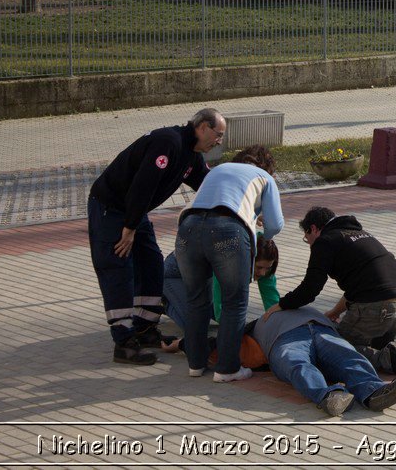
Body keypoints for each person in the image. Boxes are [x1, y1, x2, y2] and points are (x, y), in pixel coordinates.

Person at [89, 108, 225, 366]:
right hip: (111, 207)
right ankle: (124, 343)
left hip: (133, 210)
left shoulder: (191, 155)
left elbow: (208, 186)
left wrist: (236, 208)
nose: (219, 141)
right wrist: (129, 229)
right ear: (203, 127)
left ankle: (144, 328)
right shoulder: (169, 143)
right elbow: (144, 184)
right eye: (217, 134)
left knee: (151, 263)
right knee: (118, 267)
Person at [262, 206, 396, 377]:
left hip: (376, 304)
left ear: (313, 229)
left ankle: (387, 358)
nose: (310, 244)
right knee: (379, 340)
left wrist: (282, 305)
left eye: (307, 239)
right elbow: (358, 287)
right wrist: (334, 313)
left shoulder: (325, 241)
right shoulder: (360, 234)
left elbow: (310, 288)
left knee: (337, 347)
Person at [176, 145, 284, 382]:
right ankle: (227, 369)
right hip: (228, 231)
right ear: (269, 169)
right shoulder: (264, 178)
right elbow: (275, 225)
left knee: (196, 301)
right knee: (234, 302)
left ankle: (195, 364)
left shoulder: (218, 169)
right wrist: (257, 224)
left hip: (187, 228)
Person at [253, 306, 396, 416]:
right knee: (297, 363)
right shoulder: (254, 326)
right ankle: (329, 395)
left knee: (348, 356)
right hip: (284, 337)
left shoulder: (289, 307)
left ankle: (374, 391)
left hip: (322, 327)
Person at [163, 234, 280, 328]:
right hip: (176, 273)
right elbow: (220, 295)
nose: (263, 273)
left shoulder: (264, 255)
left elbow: (271, 298)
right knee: (194, 324)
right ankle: (163, 301)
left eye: (268, 268)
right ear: (249, 259)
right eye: (259, 268)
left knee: (219, 312)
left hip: (203, 276)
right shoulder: (230, 257)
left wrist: (277, 322)